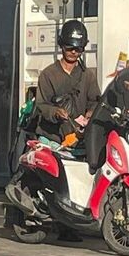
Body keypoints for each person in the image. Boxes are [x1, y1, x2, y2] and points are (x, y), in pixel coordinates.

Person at [34, 20, 100, 242]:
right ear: (62, 46)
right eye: (70, 47)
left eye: (78, 49)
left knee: (78, 183)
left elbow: (96, 101)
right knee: (58, 183)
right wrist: (55, 112)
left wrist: (90, 114)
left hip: (77, 138)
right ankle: (59, 223)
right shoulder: (48, 74)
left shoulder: (87, 75)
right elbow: (41, 105)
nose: (73, 52)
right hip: (52, 137)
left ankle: (73, 223)